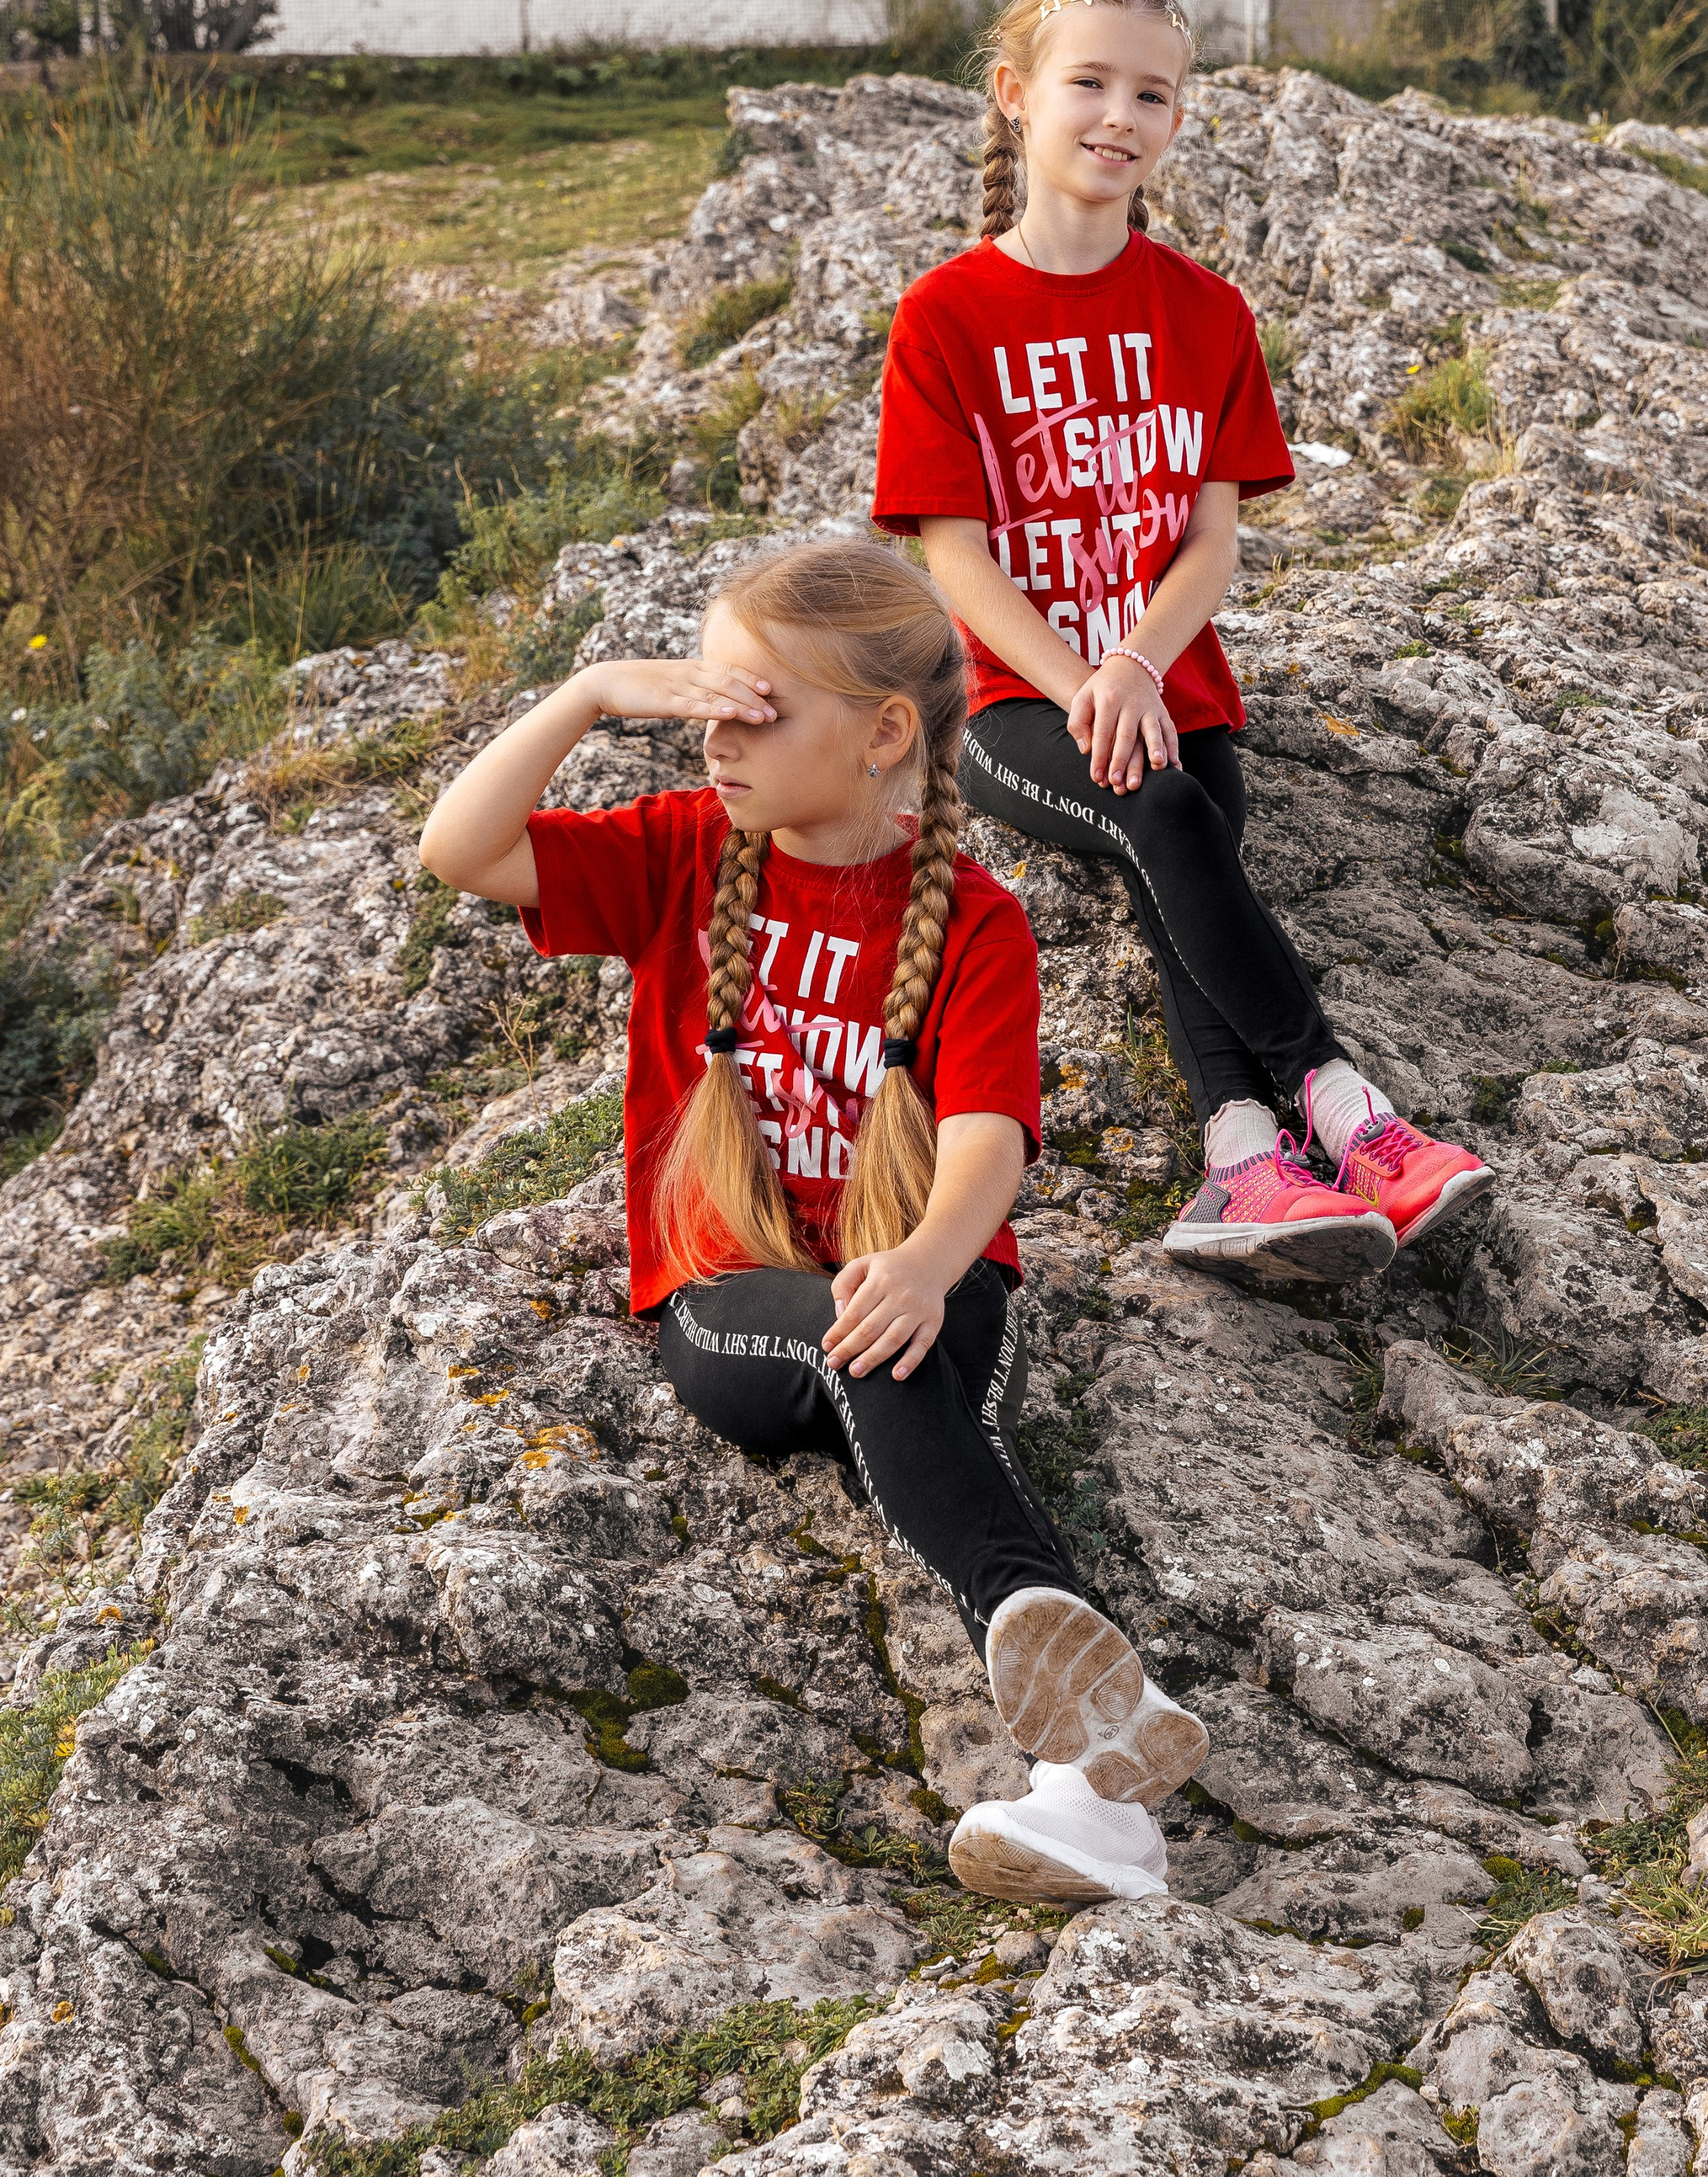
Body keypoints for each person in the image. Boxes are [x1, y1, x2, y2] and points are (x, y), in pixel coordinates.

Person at [417, 535, 1205, 1907]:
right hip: (737, 1292)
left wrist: (926, 1260)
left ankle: (1100, 1802)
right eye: (709, 703)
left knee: (909, 1344)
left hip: (933, 1267)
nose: (717, 737)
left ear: (884, 731)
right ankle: (1102, 1780)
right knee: (867, 1348)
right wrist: (595, 692)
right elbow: (459, 849)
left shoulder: (974, 919)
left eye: (756, 707)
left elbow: (987, 1138)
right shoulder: (681, 852)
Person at [873, 0, 1493, 1280]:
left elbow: (1213, 537)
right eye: (1088, 82)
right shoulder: (945, 318)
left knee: (1188, 863)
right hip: (1014, 703)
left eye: (1151, 94)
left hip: (1176, 685)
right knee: (1163, 821)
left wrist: (1142, 661)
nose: (1118, 116)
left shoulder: (1208, 314)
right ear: (1013, 96)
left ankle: (1242, 1164)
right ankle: (1347, 1110)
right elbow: (957, 562)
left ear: (1176, 119)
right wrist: (1086, 680)